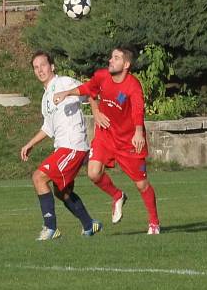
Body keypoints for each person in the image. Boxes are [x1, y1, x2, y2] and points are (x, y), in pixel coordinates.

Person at [53, 47, 161, 234]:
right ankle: (117, 195)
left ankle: (154, 222)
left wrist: (137, 133)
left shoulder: (132, 86)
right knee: (93, 173)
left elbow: (137, 110)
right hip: (105, 135)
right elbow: (89, 88)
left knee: (142, 184)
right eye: (111, 57)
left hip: (128, 142)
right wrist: (67, 94)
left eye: (116, 58)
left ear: (126, 65)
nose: (111, 60)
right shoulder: (102, 76)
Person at [20, 51, 102, 240]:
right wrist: (29, 144)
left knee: (39, 178)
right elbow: (48, 127)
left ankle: (50, 228)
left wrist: (96, 112)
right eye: (36, 67)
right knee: (61, 191)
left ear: (52, 66)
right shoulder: (45, 98)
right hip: (64, 147)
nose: (40, 70)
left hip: (73, 145)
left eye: (43, 65)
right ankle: (90, 224)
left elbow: (89, 90)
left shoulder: (64, 82)